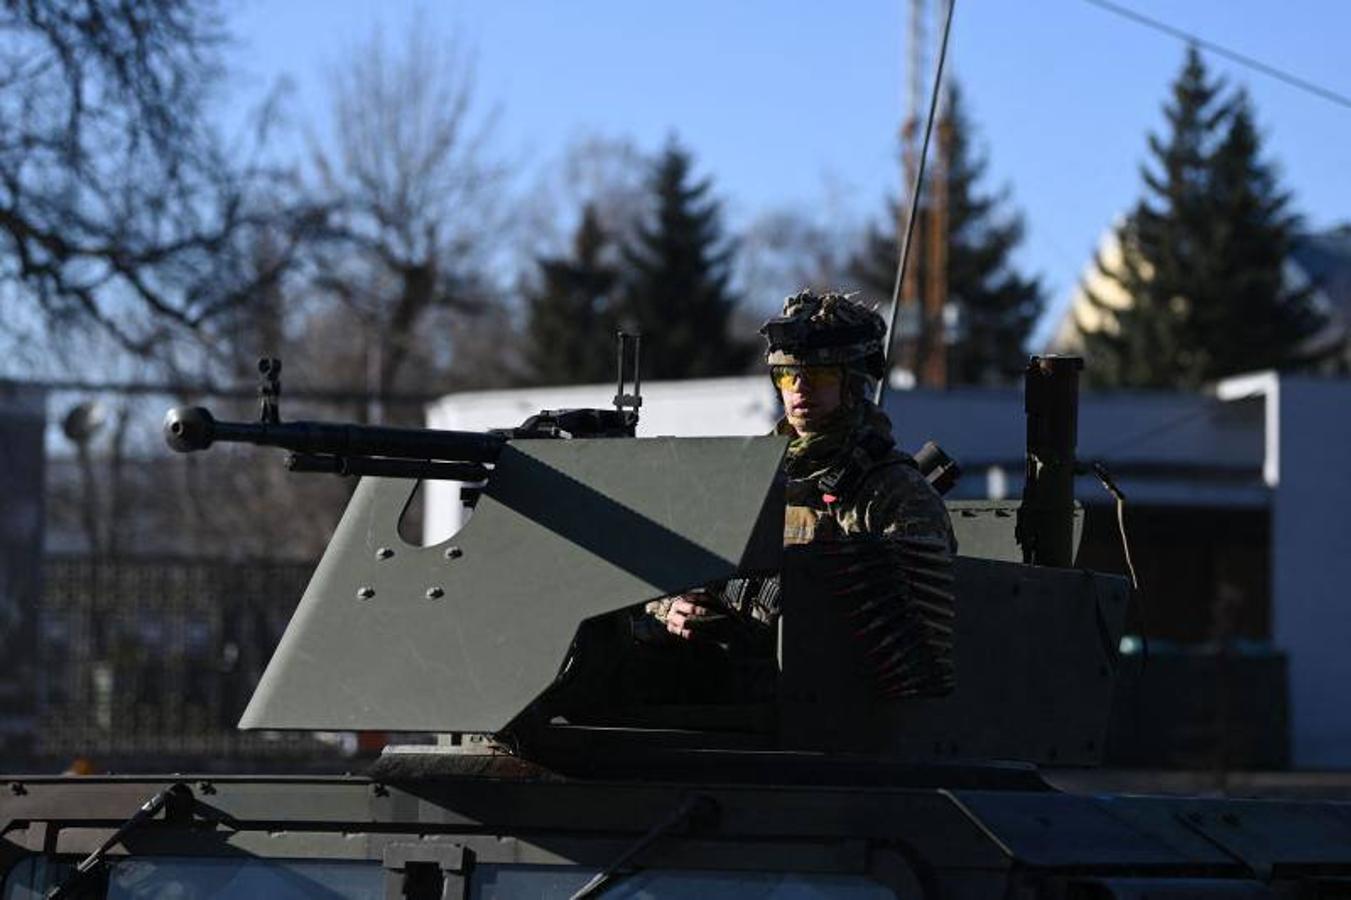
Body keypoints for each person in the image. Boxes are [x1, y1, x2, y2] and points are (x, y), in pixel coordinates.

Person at [655, 289, 956, 643]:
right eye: (787, 374)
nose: (800, 387)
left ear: (851, 383)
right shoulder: (750, 475)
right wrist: (670, 605)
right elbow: (672, 562)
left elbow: (917, 630)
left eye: (821, 374)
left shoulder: (894, 491)